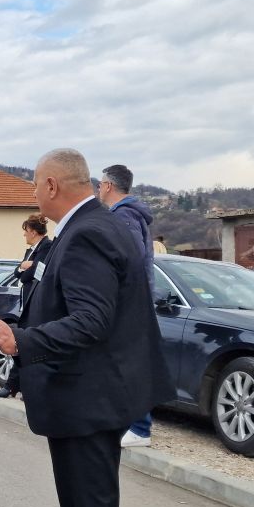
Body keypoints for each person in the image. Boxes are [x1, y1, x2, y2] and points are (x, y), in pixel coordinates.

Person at [0, 148, 172, 507]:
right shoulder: (95, 225)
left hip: (90, 397)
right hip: (92, 393)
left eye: (34, 185)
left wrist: (21, 341)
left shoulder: (87, 234)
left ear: (51, 186)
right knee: (80, 503)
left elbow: (91, 320)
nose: (33, 194)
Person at [98, 165, 157, 448]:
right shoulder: (128, 215)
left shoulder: (124, 217)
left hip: (129, 304)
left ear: (109, 186)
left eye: (100, 184)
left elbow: (129, 260)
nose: (98, 189)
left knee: (130, 364)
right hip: (132, 302)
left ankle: (140, 428)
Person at [0, 213, 53, 399]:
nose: (24, 234)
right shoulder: (31, 250)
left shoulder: (46, 247)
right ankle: (14, 386)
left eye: (26, 230)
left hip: (37, 304)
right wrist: (23, 267)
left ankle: (17, 386)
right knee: (22, 345)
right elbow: (18, 273)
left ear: (33, 231)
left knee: (26, 346)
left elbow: (33, 275)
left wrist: (26, 269)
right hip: (26, 303)